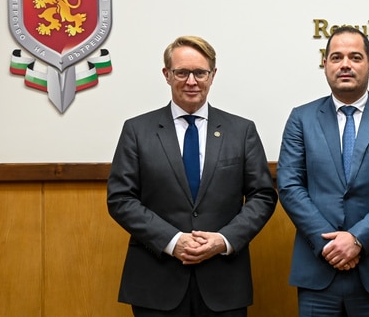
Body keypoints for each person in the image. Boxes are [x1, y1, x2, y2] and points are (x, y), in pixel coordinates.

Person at [107, 35, 277, 317]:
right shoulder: (137, 131)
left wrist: (224, 240)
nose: (191, 81)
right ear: (167, 74)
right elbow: (121, 199)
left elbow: (263, 196)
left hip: (224, 282)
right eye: (182, 72)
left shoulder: (241, 131)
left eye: (200, 72)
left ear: (212, 75)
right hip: (156, 282)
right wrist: (173, 241)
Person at [276, 26, 369, 317]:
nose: (345, 64)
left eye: (355, 57)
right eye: (336, 57)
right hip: (318, 268)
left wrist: (357, 239)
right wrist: (330, 245)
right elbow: (290, 186)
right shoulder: (301, 118)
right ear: (325, 65)